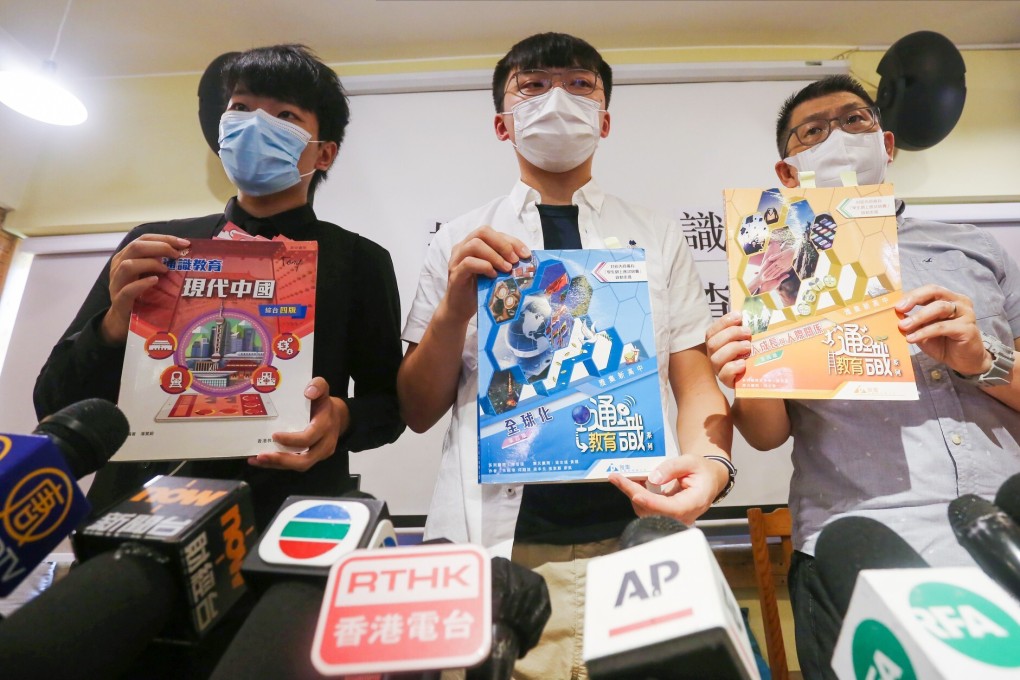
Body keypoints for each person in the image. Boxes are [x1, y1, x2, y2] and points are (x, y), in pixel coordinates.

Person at [620, 74, 1020, 679]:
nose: (837, 136)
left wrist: (982, 357)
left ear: (886, 144)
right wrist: (750, 379)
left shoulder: (974, 249)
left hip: (1003, 523)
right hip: (855, 540)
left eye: (854, 120)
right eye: (813, 131)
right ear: (787, 172)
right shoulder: (771, 267)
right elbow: (766, 434)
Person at [397, 32, 733, 679]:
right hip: (500, 540)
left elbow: (694, 382)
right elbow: (416, 409)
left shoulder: (654, 234)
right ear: (503, 122)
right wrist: (454, 311)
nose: (557, 98)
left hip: (636, 526)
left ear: (604, 119)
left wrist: (713, 470)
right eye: (533, 85)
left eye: (580, 85)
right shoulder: (460, 240)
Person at [34, 44, 405, 531]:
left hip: (289, 516)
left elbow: (389, 406)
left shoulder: (359, 261)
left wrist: (341, 417)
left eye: (285, 115)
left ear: (324, 152)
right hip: (139, 508)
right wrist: (111, 329)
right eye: (241, 108)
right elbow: (55, 403)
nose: (255, 125)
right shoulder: (155, 246)